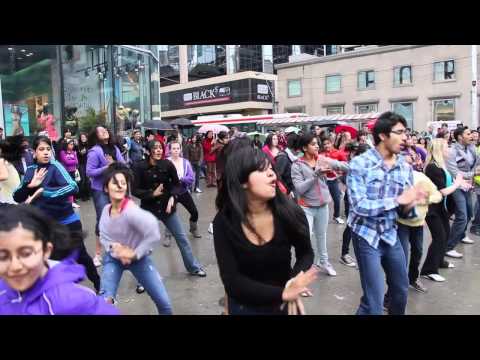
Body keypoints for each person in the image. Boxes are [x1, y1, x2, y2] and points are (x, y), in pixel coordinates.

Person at [213, 146, 317, 315]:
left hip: (285, 305)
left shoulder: (289, 212)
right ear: (242, 181)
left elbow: (306, 253)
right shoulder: (224, 222)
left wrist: (294, 279)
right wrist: (282, 293)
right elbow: (233, 282)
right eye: (262, 170)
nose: (272, 174)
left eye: (271, 169)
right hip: (244, 307)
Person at [347, 111, 427, 315]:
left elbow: (404, 209)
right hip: (366, 235)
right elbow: (359, 206)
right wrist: (398, 200)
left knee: (400, 293)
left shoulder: (404, 166)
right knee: (373, 303)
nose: (405, 138)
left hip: (391, 235)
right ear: (382, 135)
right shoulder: (360, 164)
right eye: (399, 132)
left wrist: (412, 204)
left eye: (406, 133)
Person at [13, 136, 101, 293]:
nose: (46, 153)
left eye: (48, 149)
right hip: (45, 225)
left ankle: (99, 284)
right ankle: (62, 294)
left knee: (80, 254)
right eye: (41, 149)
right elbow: (16, 196)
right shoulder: (31, 171)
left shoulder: (56, 166)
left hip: (67, 220)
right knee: (53, 259)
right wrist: (30, 185)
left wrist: (44, 192)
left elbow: (73, 187)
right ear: (34, 152)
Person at [0, 204, 118, 315]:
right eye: (2, 256)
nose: (15, 266)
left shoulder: (73, 301)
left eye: (26, 254)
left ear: (46, 251)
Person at [98, 164, 172, 314]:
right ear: (106, 188)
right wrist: (115, 248)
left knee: (164, 304)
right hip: (113, 260)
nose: (119, 187)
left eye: (123, 183)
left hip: (140, 259)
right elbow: (103, 235)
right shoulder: (106, 211)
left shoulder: (132, 211)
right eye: (115, 183)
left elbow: (153, 232)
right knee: (104, 302)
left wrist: (134, 253)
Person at [132, 140, 206, 277]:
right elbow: (135, 190)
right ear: (148, 151)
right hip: (148, 210)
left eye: (160, 147)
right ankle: (143, 278)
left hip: (167, 208)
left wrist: (173, 197)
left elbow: (177, 185)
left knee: (182, 239)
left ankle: (193, 267)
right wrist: (151, 194)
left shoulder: (167, 164)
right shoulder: (139, 167)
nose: (159, 150)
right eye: (155, 148)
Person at [291, 133, 349, 277]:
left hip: (323, 205)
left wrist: (357, 166)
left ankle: (324, 261)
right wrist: (315, 175)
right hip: (306, 207)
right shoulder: (297, 165)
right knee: (305, 238)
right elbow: (299, 188)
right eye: (313, 144)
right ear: (304, 148)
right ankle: (302, 270)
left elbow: (341, 165)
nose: (317, 146)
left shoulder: (322, 159)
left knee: (321, 236)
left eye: (317, 143)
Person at [420, 139, 469, 283]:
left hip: (441, 208)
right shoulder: (432, 168)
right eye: (447, 147)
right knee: (439, 237)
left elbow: (449, 183)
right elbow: (444, 191)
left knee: (445, 234)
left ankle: (439, 261)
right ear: (439, 150)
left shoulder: (441, 166)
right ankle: (428, 270)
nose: (449, 150)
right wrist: (458, 184)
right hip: (432, 209)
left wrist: (460, 183)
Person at [396, 153, 443, 293]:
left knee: (417, 253)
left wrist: (423, 199)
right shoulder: (394, 179)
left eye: (408, 163)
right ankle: (397, 288)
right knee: (401, 257)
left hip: (418, 224)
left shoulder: (421, 177)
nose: (405, 166)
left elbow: (438, 195)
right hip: (400, 223)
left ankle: (413, 279)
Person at [86, 126, 126, 267]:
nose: (105, 132)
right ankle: (97, 254)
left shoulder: (114, 148)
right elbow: (89, 172)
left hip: (115, 188)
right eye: (101, 131)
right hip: (100, 190)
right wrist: (108, 166)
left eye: (106, 130)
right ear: (96, 136)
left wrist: (117, 164)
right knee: (102, 219)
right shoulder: (94, 151)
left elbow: (123, 164)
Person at [445, 126, 478, 258]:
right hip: (456, 186)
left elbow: (475, 164)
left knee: (470, 213)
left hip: (468, 185)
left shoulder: (471, 148)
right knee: (462, 216)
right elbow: (454, 172)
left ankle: (462, 234)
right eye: (468, 134)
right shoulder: (452, 151)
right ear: (460, 137)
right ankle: (448, 246)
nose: (472, 136)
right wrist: (473, 173)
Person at [339, 142, 369, 268]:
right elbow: (344, 178)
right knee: (351, 225)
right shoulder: (354, 165)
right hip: (353, 199)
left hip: (366, 200)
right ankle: (344, 254)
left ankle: (363, 254)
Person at [167, 141, 201, 238]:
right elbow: (163, 178)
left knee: (194, 212)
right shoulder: (166, 162)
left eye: (178, 148)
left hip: (183, 191)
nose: (176, 150)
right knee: (169, 214)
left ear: (180, 149)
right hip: (171, 193)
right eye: (173, 148)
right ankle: (168, 235)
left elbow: (191, 178)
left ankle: (193, 228)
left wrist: (182, 179)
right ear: (170, 150)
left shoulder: (185, 162)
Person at [319, 136, 348, 224]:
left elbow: (345, 165)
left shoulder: (338, 153)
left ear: (331, 143)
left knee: (336, 199)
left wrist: (339, 172)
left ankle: (336, 216)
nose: (326, 146)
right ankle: (320, 219)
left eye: (328, 143)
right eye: (324, 144)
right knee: (322, 201)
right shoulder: (321, 154)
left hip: (334, 180)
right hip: (323, 180)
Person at [59, 139, 80, 209]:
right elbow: (66, 162)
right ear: (66, 145)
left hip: (73, 171)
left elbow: (77, 162)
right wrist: (73, 160)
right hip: (66, 171)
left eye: (73, 144)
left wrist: (71, 160)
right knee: (68, 186)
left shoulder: (74, 152)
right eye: (70, 144)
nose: (72, 145)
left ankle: (72, 200)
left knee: (73, 185)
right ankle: (69, 201)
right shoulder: (62, 152)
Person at [0, 137, 22, 204]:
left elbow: (4, 176)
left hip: (9, 197)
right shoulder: (6, 160)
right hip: (14, 195)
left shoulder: (1, 160)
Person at [77, 133, 90, 201]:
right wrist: (81, 153)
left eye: (84, 137)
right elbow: (78, 154)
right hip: (81, 164)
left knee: (88, 180)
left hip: (88, 164)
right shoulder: (78, 146)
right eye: (82, 137)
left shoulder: (89, 145)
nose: (83, 138)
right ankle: (83, 195)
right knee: (83, 180)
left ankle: (88, 194)